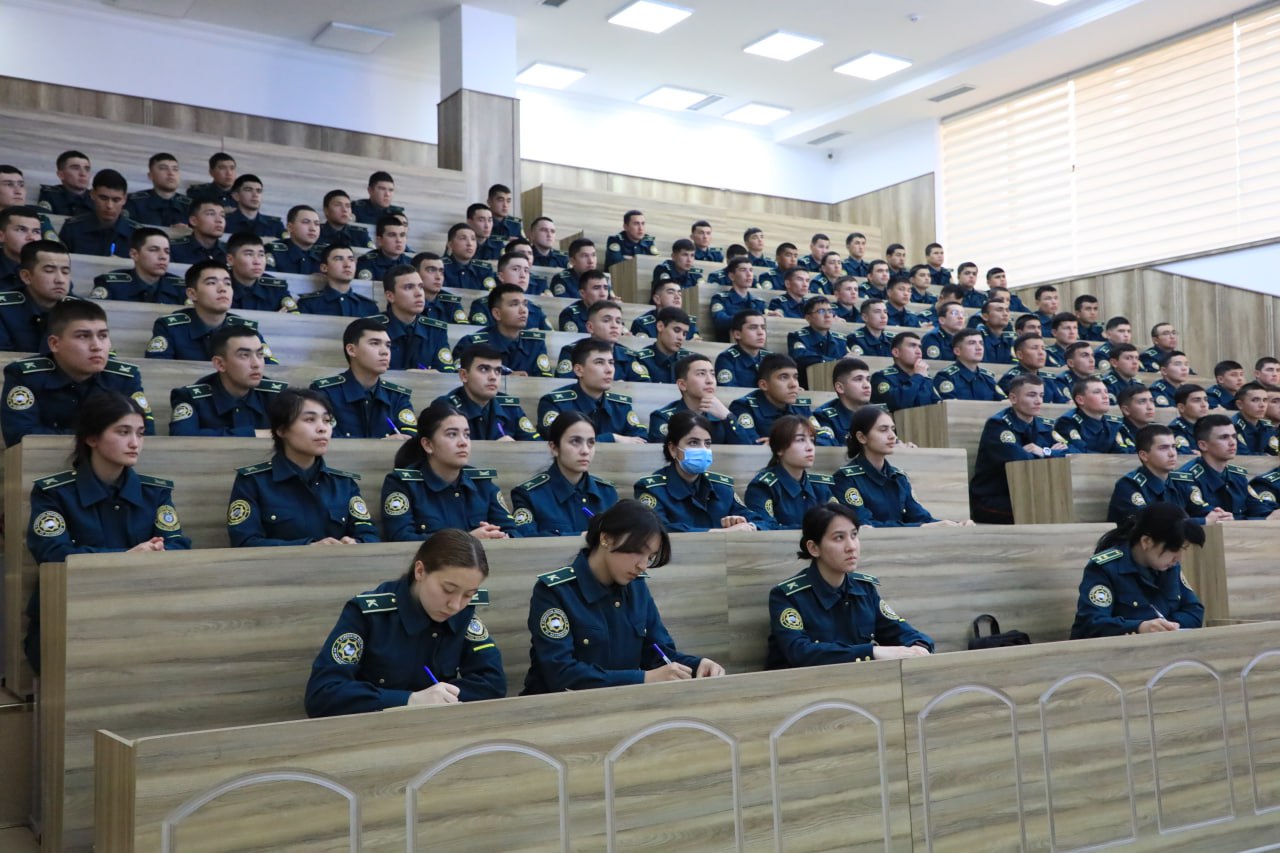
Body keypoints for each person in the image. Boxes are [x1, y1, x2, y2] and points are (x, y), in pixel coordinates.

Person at [23, 391, 189, 674]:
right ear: (92, 438)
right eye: (123, 432)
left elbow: (178, 546)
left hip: (142, 611)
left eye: (140, 433)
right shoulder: (54, 493)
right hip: (71, 617)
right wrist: (125, 557)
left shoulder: (155, 492)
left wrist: (152, 552)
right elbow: (53, 555)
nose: (135, 443)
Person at [522, 499, 724, 693]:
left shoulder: (636, 586)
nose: (642, 565)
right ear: (606, 539)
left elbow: (659, 655)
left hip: (624, 705)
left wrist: (698, 666)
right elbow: (561, 674)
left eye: (650, 557)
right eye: (638, 551)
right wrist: (644, 679)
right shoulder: (554, 591)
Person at [304, 528, 504, 716]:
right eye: (448, 590)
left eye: (469, 594)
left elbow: (493, 682)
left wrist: (444, 696)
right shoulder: (369, 614)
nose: (455, 605)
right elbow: (322, 694)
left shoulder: (462, 613)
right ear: (420, 571)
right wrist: (408, 700)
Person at [767, 504, 932, 668]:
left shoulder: (864, 589)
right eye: (839, 538)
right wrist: (872, 652)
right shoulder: (787, 596)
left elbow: (900, 631)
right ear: (814, 548)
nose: (851, 546)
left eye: (854, 535)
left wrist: (919, 647)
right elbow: (800, 653)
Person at [227, 389, 380, 547]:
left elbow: (370, 535)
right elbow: (245, 542)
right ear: (282, 430)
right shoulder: (253, 482)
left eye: (327, 420)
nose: (322, 428)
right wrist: (307, 547)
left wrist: (356, 543)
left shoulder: (344, 484)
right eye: (310, 419)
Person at [2, 299, 155, 445]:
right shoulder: (25, 376)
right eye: (83, 336)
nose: (97, 346)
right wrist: (101, 438)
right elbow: (22, 438)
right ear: (55, 344)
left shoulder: (124, 378)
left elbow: (146, 433)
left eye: (103, 336)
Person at [381, 401, 526, 541]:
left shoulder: (482, 484)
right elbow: (401, 539)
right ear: (428, 445)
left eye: (467, 435)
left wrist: (502, 537)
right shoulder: (402, 484)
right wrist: (467, 540)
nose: (463, 442)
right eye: (452, 434)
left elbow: (512, 532)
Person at [1069, 504, 1205, 639]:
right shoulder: (1105, 568)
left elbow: (1194, 611)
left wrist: (1168, 627)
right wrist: (1139, 628)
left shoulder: (1170, 567)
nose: (1178, 558)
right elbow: (1092, 623)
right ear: (1146, 542)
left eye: (1183, 549)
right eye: (1173, 549)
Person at [836, 406, 969, 528]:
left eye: (893, 429)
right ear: (862, 437)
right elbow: (864, 525)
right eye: (883, 430)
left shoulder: (899, 477)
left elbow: (920, 517)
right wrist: (921, 527)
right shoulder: (845, 479)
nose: (892, 436)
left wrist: (956, 525)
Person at [969, 374, 1073, 524]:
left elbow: (1072, 453)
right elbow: (1020, 461)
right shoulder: (998, 425)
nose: (1038, 401)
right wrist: (1051, 455)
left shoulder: (1045, 424)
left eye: (1041, 395)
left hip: (1029, 495)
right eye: (1031, 395)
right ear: (1013, 398)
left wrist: (1045, 452)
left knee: (1061, 507)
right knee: (1049, 511)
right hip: (994, 499)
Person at [633, 410, 758, 532]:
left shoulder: (722, 487)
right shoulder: (652, 489)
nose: (703, 449)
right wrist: (719, 533)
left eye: (707, 443)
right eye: (693, 443)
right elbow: (658, 530)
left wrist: (747, 525)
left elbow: (761, 521)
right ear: (673, 449)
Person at [512, 412, 619, 536]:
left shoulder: (607, 492)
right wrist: (581, 537)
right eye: (575, 441)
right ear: (554, 448)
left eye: (591, 442)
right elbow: (525, 539)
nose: (585, 451)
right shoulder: (529, 494)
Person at [144, 260, 275, 362]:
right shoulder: (170, 327)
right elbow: (159, 370)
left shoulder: (246, 329)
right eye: (212, 283)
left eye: (227, 283)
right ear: (192, 294)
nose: (222, 289)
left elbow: (269, 369)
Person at [310, 318, 418, 439]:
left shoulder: (397, 397)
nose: (385, 352)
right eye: (375, 343)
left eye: (388, 345)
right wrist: (381, 445)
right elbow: (325, 439)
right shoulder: (324, 393)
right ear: (351, 350)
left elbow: (410, 438)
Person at [169, 325, 285, 436]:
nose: (256, 364)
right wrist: (253, 434)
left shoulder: (278, 396)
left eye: (260, 354)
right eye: (244, 355)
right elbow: (182, 438)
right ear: (220, 364)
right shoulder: (191, 398)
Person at [538, 338, 646, 443]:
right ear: (579, 370)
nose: (609, 369)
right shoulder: (555, 404)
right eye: (599, 362)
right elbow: (559, 441)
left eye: (611, 362)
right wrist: (611, 438)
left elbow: (642, 439)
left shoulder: (621, 406)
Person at [1175, 414, 1280, 521]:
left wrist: (1270, 515)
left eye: (1234, 436)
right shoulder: (1186, 479)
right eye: (1224, 437)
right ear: (1203, 445)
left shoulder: (1237, 476)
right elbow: (1179, 522)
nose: (1232, 442)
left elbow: (1257, 507)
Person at [744, 415, 834, 530]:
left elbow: (838, 521)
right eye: (801, 440)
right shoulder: (763, 487)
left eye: (812, 440)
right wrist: (814, 531)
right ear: (780, 449)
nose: (810, 447)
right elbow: (766, 529)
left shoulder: (820, 486)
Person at [435, 344, 539, 441]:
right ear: (464, 375)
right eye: (484, 369)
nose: (493, 377)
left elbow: (536, 446)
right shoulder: (445, 408)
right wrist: (495, 450)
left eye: (498, 371)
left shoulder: (510, 408)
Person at [729, 353, 836, 446]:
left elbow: (826, 439)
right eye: (784, 377)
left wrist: (784, 442)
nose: (794, 384)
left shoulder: (800, 407)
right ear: (764, 385)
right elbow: (749, 445)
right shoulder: (744, 407)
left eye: (795, 377)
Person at [453, 283, 554, 377]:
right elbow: (459, 379)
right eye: (514, 304)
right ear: (497, 314)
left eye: (525, 304)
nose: (523, 310)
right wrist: (505, 379)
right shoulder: (472, 344)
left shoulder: (535, 344)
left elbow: (544, 382)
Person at [648, 353, 753, 444]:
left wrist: (728, 417)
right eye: (701, 374)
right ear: (682, 384)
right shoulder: (663, 418)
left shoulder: (722, 415)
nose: (710, 380)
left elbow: (746, 452)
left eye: (712, 374)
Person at [373, 265, 454, 372]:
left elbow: (446, 374)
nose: (419, 293)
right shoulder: (371, 328)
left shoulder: (436, 330)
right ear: (390, 296)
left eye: (420, 287)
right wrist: (407, 375)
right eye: (409, 287)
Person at [0, 239, 74, 353]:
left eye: (65, 272)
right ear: (26, 276)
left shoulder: (81, 310)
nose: (60, 280)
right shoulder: (3, 309)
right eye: (49, 271)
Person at [1107, 425, 1190, 523]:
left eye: (1173, 447)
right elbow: (1148, 524)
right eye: (1163, 448)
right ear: (1144, 455)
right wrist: (1198, 521)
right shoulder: (1129, 485)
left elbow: (1200, 512)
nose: (1172, 454)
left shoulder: (1179, 482)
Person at [554, 299, 649, 382]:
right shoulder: (572, 351)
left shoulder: (628, 355)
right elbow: (565, 383)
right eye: (606, 320)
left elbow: (643, 386)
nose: (614, 326)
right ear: (590, 327)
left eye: (618, 321)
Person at [90, 227, 186, 304]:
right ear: (134, 254)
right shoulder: (111, 284)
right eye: (154, 250)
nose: (163, 257)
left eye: (167, 251)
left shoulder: (181, 287)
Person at [58, 168, 136, 257]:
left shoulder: (137, 234)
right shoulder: (72, 229)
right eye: (103, 198)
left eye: (116, 200)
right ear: (92, 194)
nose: (109, 206)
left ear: (125, 199)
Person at [468, 251, 550, 328]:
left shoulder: (535, 310)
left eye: (526, 270)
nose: (523, 275)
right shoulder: (483, 306)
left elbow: (550, 336)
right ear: (501, 276)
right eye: (515, 269)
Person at [1054, 377, 1134, 454]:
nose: (1106, 396)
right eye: (1097, 392)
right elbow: (1080, 453)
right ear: (1080, 400)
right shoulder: (1067, 422)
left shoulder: (1113, 424)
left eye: (1106, 392)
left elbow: (1123, 452)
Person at [297, 244, 380, 317]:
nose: (347, 265)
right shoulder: (308, 304)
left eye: (351, 259)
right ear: (324, 268)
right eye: (338, 259)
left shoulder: (369, 306)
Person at [225, 232, 298, 312]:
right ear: (230, 259)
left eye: (261, 255)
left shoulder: (276, 288)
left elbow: (292, 317)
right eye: (249, 254)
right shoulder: (219, 287)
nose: (257, 261)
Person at [787, 296, 849, 387]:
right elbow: (800, 357)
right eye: (821, 311)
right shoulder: (798, 336)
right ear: (808, 317)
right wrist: (834, 361)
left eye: (830, 311)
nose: (827, 315)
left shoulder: (840, 340)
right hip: (808, 386)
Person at [870, 332, 937, 412]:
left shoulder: (925, 376)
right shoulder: (881, 378)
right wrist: (918, 376)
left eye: (919, 347)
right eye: (912, 346)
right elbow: (899, 404)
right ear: (896, 352)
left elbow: (937, 405)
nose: (919, 351)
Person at [997, 333, 1070, 404]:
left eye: (1043, 348)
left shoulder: (1048, 379)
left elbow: (1062, 402)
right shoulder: (1010, 379)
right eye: (1034, 348)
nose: (1041, 353)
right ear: (1020, 355)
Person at [934, 329, 1004, 401]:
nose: (979, 348)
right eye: (972, 343)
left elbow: (1004, 403)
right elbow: (950, 405)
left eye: (981, 343)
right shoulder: (946, 377)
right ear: (957, 351)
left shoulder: (988, 378)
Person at [814, 358, 872, 445]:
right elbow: (829, 450)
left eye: (868, 379)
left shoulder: (878, 413)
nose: (867, 385)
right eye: (858, 379)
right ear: (840, 388)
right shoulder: (824, 417)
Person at [125, 152, 190, 227]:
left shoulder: (191, 206)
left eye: (175, 169)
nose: (171, 173)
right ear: (150, 175)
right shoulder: (134, 202)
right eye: (163, 168)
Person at [631, 306, 692, 384]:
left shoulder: (689, 361)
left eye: (684, 334)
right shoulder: (641, 360)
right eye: (676, 330)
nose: (681, 337)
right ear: (660, 326)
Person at [709, 258, 765, 341]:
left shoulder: (758, 302)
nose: (749, 274)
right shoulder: (720, 299)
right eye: (743, 270)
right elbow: (720, 322)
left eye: (751, 270)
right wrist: (750, 320)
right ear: (731, 276)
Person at [714, 309, 770, 387]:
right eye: (753, 328)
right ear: (737, 334)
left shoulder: (770, 358)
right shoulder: (727, 359)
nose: (760, 332)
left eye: (763, 327)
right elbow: (728, 391)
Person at [632, 279, 700, 340]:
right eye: (671, 292)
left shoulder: (689, 322)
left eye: (679, 294)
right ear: (657, 299)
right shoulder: (642, 324)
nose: (677, 297)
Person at [267, 205, 325, 274]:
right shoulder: (273, 251)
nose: (313, 228)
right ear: (290, 227)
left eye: (317, 224)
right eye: (306, 222)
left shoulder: (327, 253)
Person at [356, 215, 414, 283]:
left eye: (402, 235)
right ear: (379, 240)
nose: (399, 240)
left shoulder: (412, 263)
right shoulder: (367, 262)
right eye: (392, 235)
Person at [224, 174, 285, 239]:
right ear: (236, 196)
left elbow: (287, 243)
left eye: (259, 191)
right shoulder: (224, 222)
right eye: (248, 190)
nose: (255, 195)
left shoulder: (275, 225)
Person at [169, 199, 228, 265]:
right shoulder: (173, 248)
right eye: (211, 214)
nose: (219, 220)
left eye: (222, 215)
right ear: (193, 221)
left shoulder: (229, 250)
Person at [38, 150, 93, 217]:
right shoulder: (51, 195)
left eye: (87, 169)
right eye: (76, 168)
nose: (83, 173)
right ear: (61, 174)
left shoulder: (96, 198)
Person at [0, 204, 43, 290]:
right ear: (1, 236)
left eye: (36, 232)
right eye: (21, 230)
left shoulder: (50, 267)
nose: (31, 237)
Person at [1231, 383, 1278, 455]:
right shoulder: (1232, 428)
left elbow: (1275, 450)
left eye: (1264, 400)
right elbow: (1243, 456)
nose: (1262, 405)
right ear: (1240, 404)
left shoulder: (1266, 426)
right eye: (1255, 400)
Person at [1169, 384, 1209, 454]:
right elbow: (1186, 455)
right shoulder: (1175, 430)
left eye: (1205, 400)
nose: (1204, 405)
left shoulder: (1210, 427)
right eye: (1197, 400)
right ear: (1181, 407)